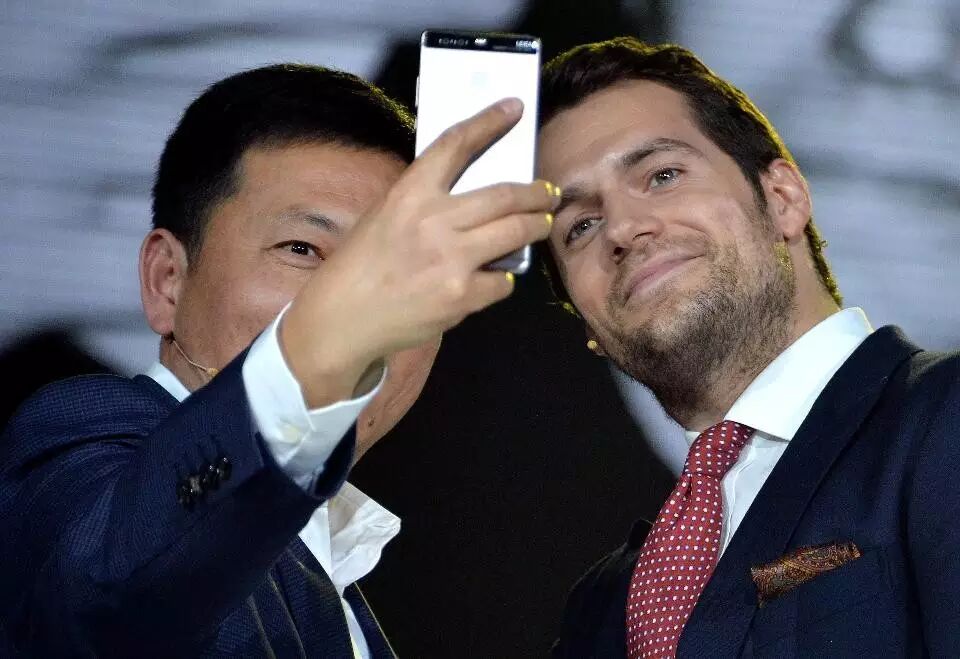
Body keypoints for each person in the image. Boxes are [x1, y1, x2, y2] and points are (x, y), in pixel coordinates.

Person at [0, 64, 557, 657]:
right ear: (167, 280)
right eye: (302, 249)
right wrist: (320, 347)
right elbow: (109, 589)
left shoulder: (336, 581)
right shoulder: (83, 440)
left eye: (396, 270)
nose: (365, 302)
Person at [536, 38, 960, 658]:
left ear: (783, 199)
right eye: (581, 226)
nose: (622, 228)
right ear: (585, 320)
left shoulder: (944, 419)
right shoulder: (600, 609)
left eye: (662, 175)